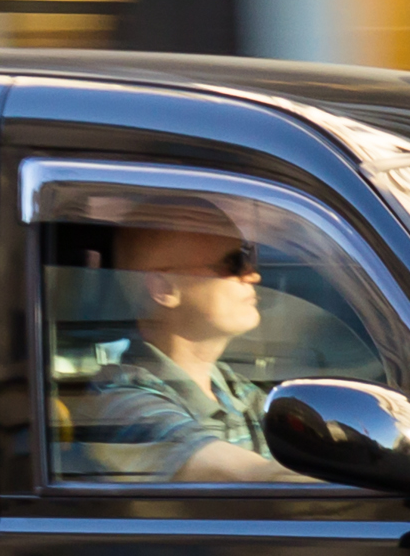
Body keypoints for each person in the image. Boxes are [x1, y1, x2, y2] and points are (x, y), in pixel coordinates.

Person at [57, 201, 308, 483]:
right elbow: (250, 477)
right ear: (164, 288)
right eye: (234, 262)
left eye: (248, 257)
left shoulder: (238, 390)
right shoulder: (120, 404)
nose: (252, 274)